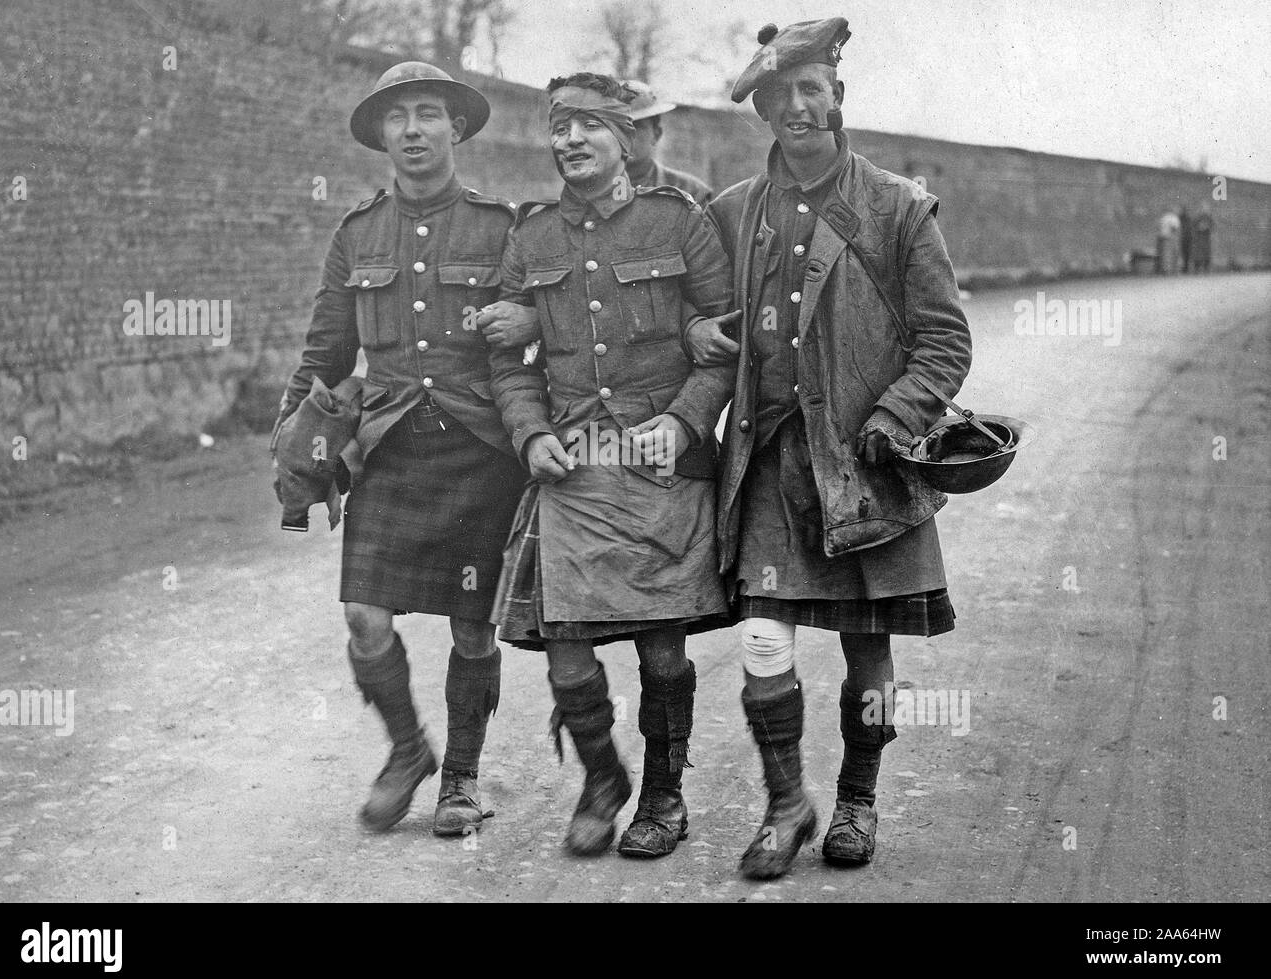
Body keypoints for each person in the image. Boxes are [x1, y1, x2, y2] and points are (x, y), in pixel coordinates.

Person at [687, 17, 973, 879]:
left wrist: (893, 419)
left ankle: (857, 796)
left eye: (814, 90)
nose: (799, 107)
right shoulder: (732, 212)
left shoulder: (896, 205)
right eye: (781, 95)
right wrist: (701, 326)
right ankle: (786, 804)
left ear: (839, 98)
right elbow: (693, 314)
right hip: (771, 461)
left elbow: (945, 342)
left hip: (863, 466)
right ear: (764, 109)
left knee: (868, 647)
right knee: (764, 641)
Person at [273, 62, 539, 839]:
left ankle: (461, 777)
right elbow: (324, 353)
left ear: (456, 128)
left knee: (470, 626)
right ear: (382, 134)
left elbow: (539, 335)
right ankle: (407, 750)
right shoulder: (356, 234)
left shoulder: (502, 228)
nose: (414, 130)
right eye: (399, 118)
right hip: (388, 448)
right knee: (364, 615)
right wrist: (289, 435)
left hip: (481, 448)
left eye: (429, 115)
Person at [487, 72, 739, 858]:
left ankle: (664, 796)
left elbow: (726, 343)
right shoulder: (530, 236)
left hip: (660, 461)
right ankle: (603, 779)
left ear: (625, 139)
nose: (569, 142)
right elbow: (508, 359)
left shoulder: (679, 222)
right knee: (565, 650)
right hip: (572, 462)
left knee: (662, 648)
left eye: (588, 127)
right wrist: (530, 434)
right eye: (559, 129)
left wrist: (685, 419)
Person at [621, 79, 716, 207]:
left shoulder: (691, 192)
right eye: (618, 127)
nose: (626, 136)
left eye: (636, 126)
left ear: (656, 134)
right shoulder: (587, 189)